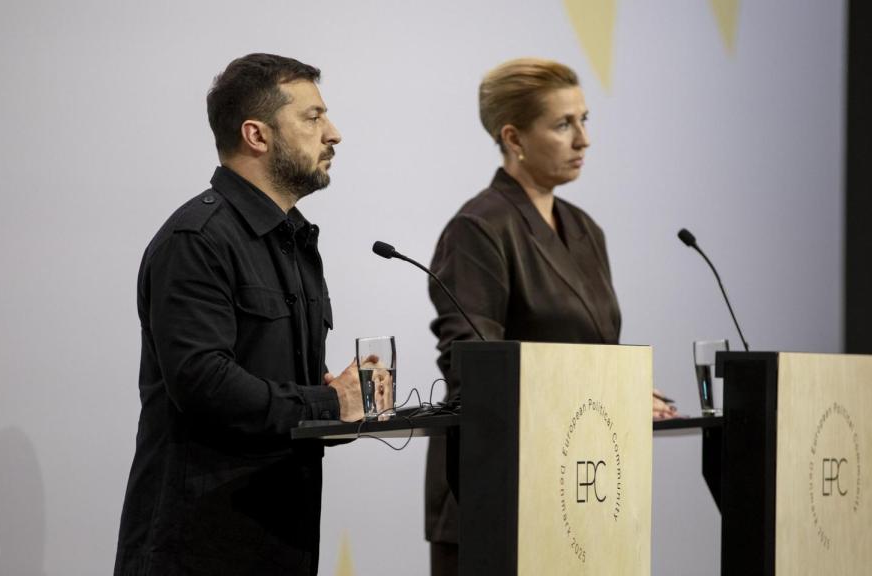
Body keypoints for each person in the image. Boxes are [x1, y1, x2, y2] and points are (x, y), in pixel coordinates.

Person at [423, 58, 676, 574]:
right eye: (564, 125)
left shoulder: (584, 229)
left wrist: (622, 393)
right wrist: (613, 393)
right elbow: (476, 369)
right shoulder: (478, 228)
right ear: (513, 137)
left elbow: (594, 351)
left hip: (586, 490)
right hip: (501, 492)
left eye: (585, 120)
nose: (584, 139)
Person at [114, 53, 363, 576]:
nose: (334, 133)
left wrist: (340, 401)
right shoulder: (196, 240)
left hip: (282, 540)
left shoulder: (294, 241)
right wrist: (325, 401)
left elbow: (270, 384)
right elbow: (203, 383)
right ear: (257, 134)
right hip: (200, 548)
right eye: (313, 117)